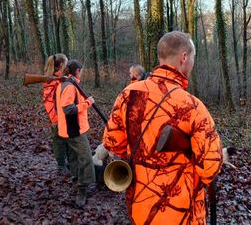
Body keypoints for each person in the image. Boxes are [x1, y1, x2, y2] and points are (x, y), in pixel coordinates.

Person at [95, 31, 223, 224]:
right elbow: (210, 168)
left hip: (140, 204)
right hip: (182, 212)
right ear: (184, 58)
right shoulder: (193, 106)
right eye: (193, 57)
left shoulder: (128, 94)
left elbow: (112, 143)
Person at [55, 60, 96, 208]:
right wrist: (87, 103)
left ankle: (76, 180)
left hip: (68, 129)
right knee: (86, 158)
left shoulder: (66, 84)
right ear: (77, 70)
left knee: (73, 156)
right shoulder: (70, 87)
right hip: (73, 130)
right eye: (81, 70)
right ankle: (82, 190)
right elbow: (68, 109)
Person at [42, 53, 69, 175]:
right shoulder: (52, 81)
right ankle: (61, 167)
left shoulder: (60, 79)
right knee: (59, 142)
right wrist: (55, 119)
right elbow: (48, 102)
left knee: (66, 141)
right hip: (57, 118)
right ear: (62, 65)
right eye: (66, 63)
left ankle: (67, 164)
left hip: (64, 116)